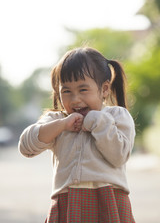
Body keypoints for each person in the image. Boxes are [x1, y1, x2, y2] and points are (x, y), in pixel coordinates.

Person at [19, 47, 136, 223]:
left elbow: (119, 156)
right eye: (66, 91)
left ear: (104, 89)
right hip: (67, 202)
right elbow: (26, 147)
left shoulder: (117, 116)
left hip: (109, 200)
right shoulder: (56, 120)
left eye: (83, 90)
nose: (75, 100)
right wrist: (61, 125)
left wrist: (97, 121)